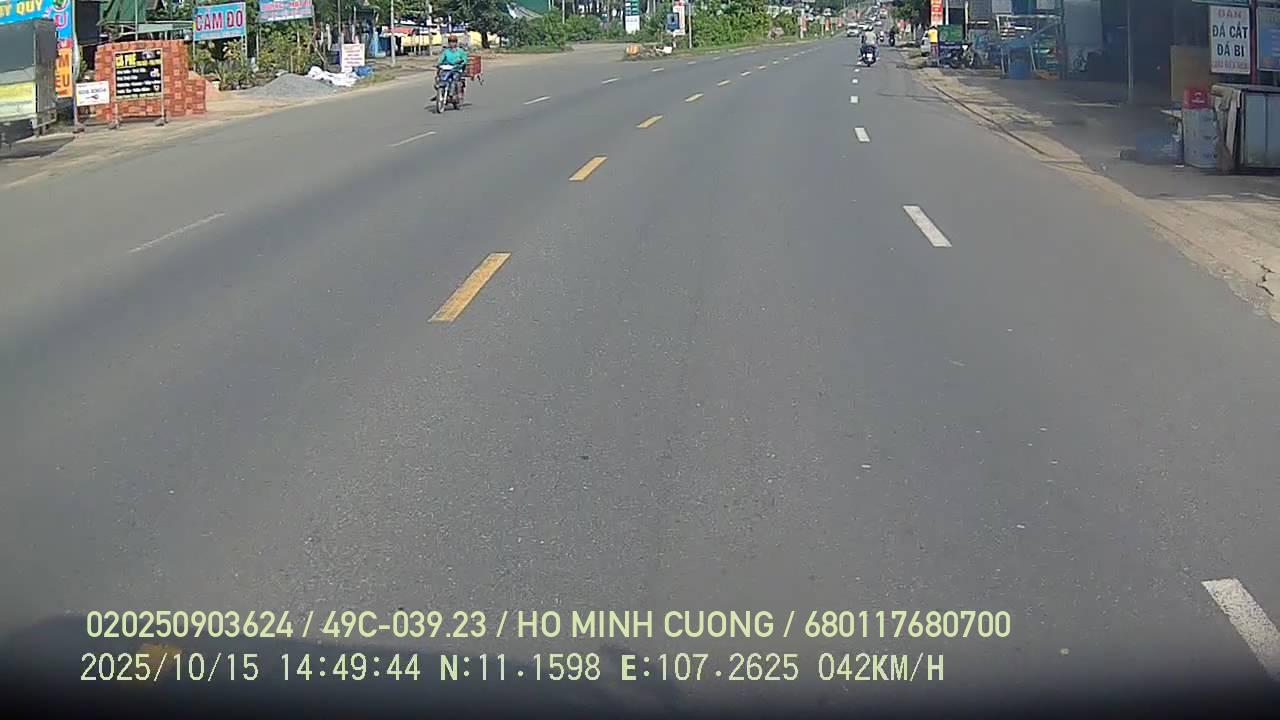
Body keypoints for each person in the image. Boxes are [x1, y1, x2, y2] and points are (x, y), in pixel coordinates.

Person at [432, 34, 469, 104]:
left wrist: (460, 63)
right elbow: (441, 59)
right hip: (447, 69)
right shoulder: (446, 51)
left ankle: (454, 94)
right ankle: (440, 92)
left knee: (455, 79)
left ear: (456, 43)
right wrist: (439, 64)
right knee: (440, 78)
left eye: (453, 42)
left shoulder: (460, 51)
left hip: (457, 69)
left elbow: (464, 60)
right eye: (450, 42)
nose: (452, 43)